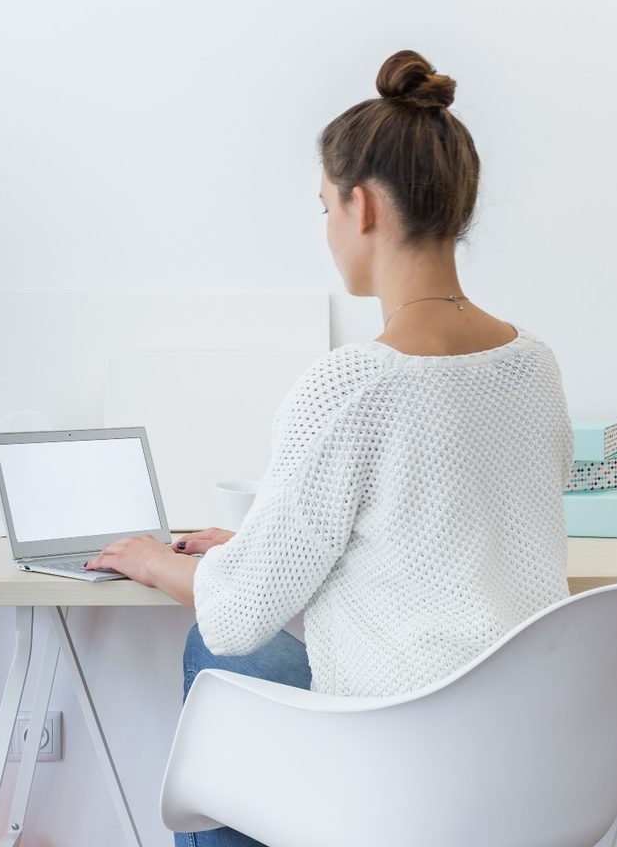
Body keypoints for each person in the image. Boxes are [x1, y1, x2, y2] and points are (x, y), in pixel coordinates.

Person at [86, 49, 575, 847]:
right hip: (524, 747)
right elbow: (441, 538)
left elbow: (240, 615)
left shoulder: (353, 384)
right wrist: (257, 546)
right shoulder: (533, 365)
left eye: (323, 208)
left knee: (213, 649)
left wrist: (149, 556)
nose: (326, 229)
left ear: (362, 207)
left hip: (401, 751)